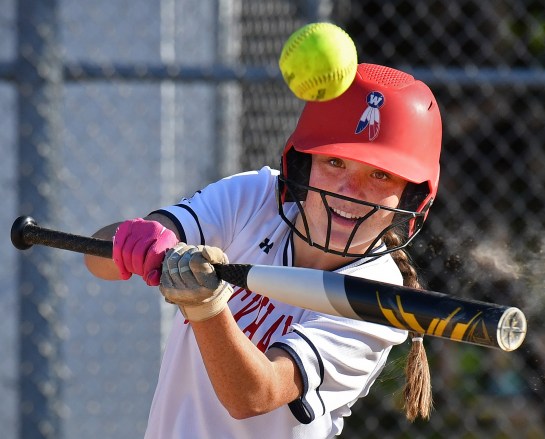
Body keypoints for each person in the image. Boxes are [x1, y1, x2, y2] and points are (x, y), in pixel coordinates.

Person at [84, 62, 442, 438]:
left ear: (412, 197)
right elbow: (96, 261)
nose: (349, 191)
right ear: (303, 167)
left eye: (380, 175)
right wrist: (141, 238)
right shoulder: (257, 197)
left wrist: (205, 305)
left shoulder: (374, 296)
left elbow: (253, 395)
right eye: (335, 163)